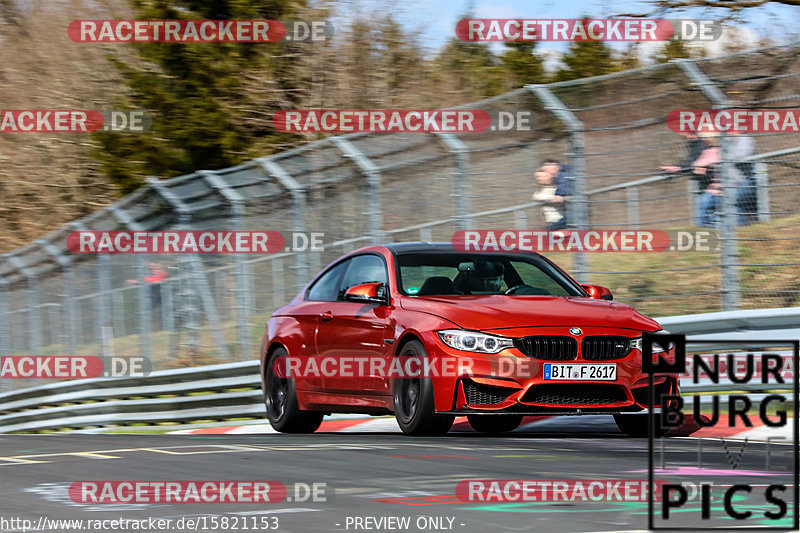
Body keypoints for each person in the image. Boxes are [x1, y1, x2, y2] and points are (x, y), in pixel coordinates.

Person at [692, 130, 722, 227]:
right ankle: (705, 229)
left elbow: (712, 161)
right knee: (701, 202)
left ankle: (705, 228)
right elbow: (696, 164)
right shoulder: (707, 150)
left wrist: (703, 166)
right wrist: (701, 166)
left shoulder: (720, 149)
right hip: (713, 188)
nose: (704, 140)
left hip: (722, 188)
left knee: (704, 202)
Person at [533, 158, 572, 230]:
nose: (539, 179)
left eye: (544, 175)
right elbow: (540, 197)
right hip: (554, 225)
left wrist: (562, 198)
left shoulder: (560, 187)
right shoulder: (539, 193)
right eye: (538, 177)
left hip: (564, 224)